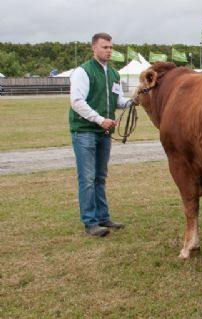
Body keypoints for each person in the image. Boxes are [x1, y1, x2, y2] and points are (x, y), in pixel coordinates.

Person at [69, 32, 131, 236]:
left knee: (100, 177)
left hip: (103, 133)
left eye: (111, 47)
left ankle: (103, 217)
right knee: (87, 178)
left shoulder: (113, 73)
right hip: (85, 131)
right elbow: (77, 102)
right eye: (105, 47)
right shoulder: (83, 72)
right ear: (93, 48)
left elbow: (118, 101)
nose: (109, 50)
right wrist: (99, 119)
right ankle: (90, 222)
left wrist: (135, 100)